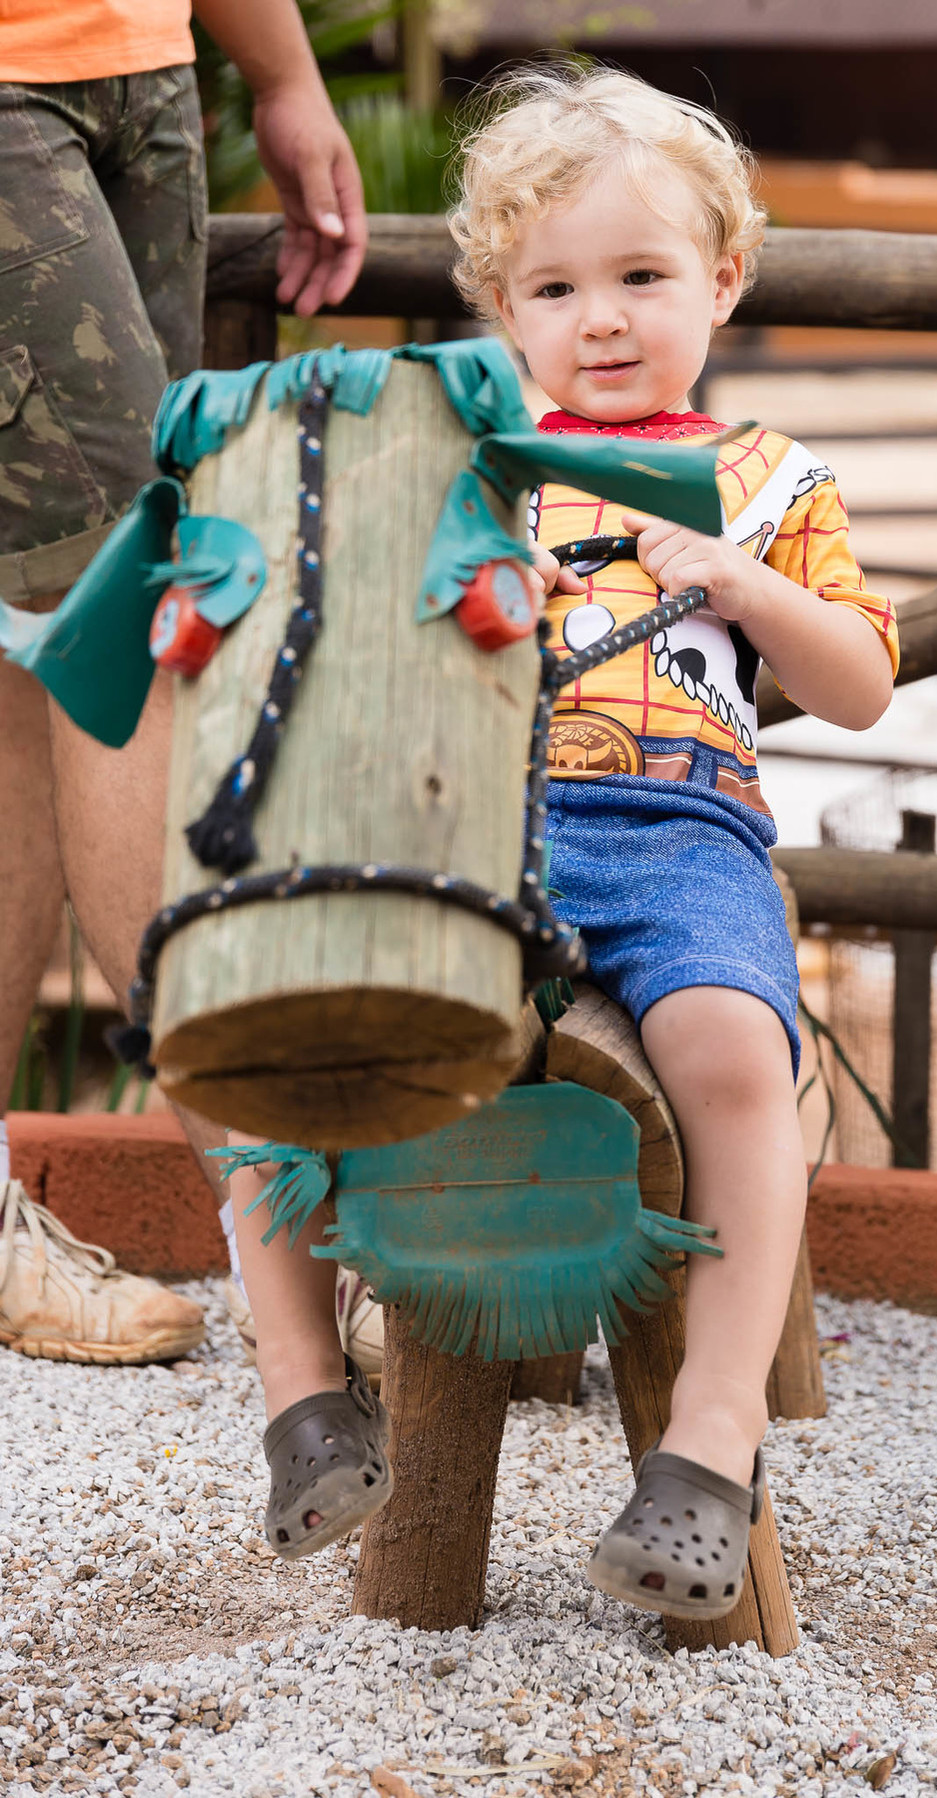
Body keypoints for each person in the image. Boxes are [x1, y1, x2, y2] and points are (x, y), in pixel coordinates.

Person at [226, 65, 898, 1615]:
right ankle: (303, 1387)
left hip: (678, 838)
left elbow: (857, 682)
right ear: (502, 308)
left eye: (644, 277)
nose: (602, 318)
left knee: (736, 1054)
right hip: (466, 826)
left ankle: (707, 1442)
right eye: (558, 286)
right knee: (282, 1023)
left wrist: (744, 583)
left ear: (722, 279)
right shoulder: (469, 461)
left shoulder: (767, 479)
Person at [0, 0, 382, 1370]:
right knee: (126, 623)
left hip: (138, 60)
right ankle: (304, 1229)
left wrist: (275, 66)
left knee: (31, 644)